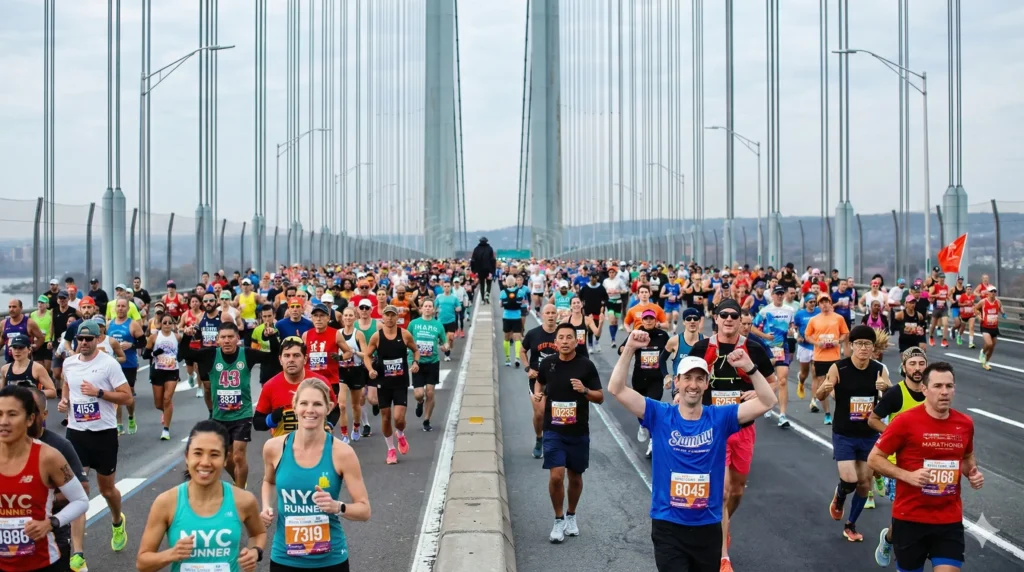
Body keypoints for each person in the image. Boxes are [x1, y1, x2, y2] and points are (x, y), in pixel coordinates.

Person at [608, 330, 777, 572]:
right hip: (668, 525)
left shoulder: (720, 418)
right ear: (677, 382)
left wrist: (750, 368)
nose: (693, 385)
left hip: (707, 525)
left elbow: (768, 402)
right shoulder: (660, 414)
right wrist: (629, 349)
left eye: (699, 379)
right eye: (687, 378)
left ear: (707, 384)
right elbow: (616, 389)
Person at [868, 362, 983, 572]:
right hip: (910, 517)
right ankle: (888, 538)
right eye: (938, 386)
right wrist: (908, 476)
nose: (944, 392)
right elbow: (874, 459)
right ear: (924, 389)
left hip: (949, 518)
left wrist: (972, 472)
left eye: (949, 386)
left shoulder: (965, 423)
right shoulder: (904, 422)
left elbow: (967, 456)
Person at [686, 298, 776, 568]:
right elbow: (688, 382)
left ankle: (723, 525)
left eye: (733, 316)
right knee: (723, 492)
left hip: (743, 427)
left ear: (740, 320)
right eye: (723, 315)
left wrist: (756, 392)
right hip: (713, 429)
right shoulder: (702, 348)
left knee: (736, 491)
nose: (728, 319)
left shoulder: (754, 348)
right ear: (715, 318)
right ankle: (723, 556)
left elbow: (772, 383)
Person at [260, 379, 370, 572]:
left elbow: (364, 510)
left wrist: (337, 507)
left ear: (328, 408)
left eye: (317, 404)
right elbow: (269, 481)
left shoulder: (342, 453)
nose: (310, 410)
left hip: (330, 560)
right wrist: (266, 506)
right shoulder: (274, 448)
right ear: (295, 406)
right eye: (304, 403)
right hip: (285, 559)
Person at [136, 421, 267, 572]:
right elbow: (142, 563)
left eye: (214, 455)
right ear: (187, 457)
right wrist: (171, 554)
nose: (205, 462)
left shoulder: (244, 500)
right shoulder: (166, 502)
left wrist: (255, 552)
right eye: (198, 453)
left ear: (225, 459)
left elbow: (259, 533)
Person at [57, 319, 134, 558]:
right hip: (76, 434)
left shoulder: (109, 364)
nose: (83, 342)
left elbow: (127, 397)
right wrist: (65, 401)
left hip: (104, 434)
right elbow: (67, 384)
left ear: (98, 339)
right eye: (80, 339)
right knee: (78, 491)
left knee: (107, 490)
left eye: (88, 339)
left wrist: (99, 393)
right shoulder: (69, 363)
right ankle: (77, 553)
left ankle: (117, 521)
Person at [179, 322, 281, 488]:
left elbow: (273, 357)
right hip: (220, 416)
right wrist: (186, 336)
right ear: (217, 340)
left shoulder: (246, 354)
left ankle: (240, 493)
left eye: (230, 337)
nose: (227, 340)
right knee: (225, 457)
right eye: (223, 337)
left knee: (239, 455)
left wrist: (272, 337)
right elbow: (185, 353)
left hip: (242, 414)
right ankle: (239, 480)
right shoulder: (211, 355)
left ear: (237, 339)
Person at [0, 385, 90, 572]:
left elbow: (81, 500)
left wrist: (51, 523)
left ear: (30, 419)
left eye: (12, 414)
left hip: (43, 563)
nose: (4, 422)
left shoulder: (49, 457)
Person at [815, 325, 891, 542]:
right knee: (849, 480)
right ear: (851, 346)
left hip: (869, 434)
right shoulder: (839, 368)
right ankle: (840, 496)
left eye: (868, 344)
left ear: (873, 347)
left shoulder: (879, 369)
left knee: (864, 483)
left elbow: (891, 397)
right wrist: (824, 390)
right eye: (859, 344)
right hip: (844, 433)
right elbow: (821, 394)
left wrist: (885, 389)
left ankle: (851, 525)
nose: (863, 348)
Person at [534, 323, 604, 544]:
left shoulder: (586, 366)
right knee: (556, 476)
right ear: (556, 342)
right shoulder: (548, 364)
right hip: (553, 430)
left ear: (576, 341)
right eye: (561, 337)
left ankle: (571, 515)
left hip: (578, 431)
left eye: (569, 337)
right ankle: (558, 519)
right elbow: (539, 383)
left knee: (575, 477)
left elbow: (600, 397)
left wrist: (584, 390)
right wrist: (538, 396)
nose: (565, 341)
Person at [867, 347, 928, 566]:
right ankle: (890, 540)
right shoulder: (896, 393)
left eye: (921, 364)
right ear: (904, 368)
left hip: (927, 464)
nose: (917, 368)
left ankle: (905, 543)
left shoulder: (932, 393)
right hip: (898, 464)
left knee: (924, 512)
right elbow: (873, 419)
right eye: (912, 364)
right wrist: (896, 437)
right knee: (904, 515)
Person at [27, 387, 89, 572]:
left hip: (52, 533)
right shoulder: (5, 448)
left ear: (44, 414)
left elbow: (82, 492)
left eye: (33, 412)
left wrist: (47, 502)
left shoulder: (57, 448)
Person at [364, 306, 421, 465]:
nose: (389, 318)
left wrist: (415, 363)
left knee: (399, 418)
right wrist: (370, 370)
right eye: (387, 315)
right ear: (382, 317)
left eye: (392, 315)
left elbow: (416, 351)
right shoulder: (377, 336)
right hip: (383, 382)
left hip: (400, 382)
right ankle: (391, 449)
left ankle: (400, 434)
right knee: (386, 416)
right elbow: (367, 356)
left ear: (397, 317)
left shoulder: (405, 334)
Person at [252, 338, 339, 437]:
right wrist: (271, 419)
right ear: (280, 360)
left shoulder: (321, 382)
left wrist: (329, 425)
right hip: (284, 444)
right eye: (287, 356)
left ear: (305, 359)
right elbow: (257, 423)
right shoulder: (270, 386)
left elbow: (335, 411)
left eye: (296, 355)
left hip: (316, 443)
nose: (291, 360)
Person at [617, 309, 670, 458]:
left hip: (656, 379)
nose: (648, 321)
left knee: (652, 408)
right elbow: (621, 350)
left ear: (655, 320)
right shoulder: (636, 334)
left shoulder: (662, 335)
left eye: (651, 318)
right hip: (639, 378)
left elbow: (671, 350)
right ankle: (642, 424)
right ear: (642, 320)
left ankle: (652, 442)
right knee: (640, 409)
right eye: (646, 318)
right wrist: (628, 347)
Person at [303, 304, 355, 441]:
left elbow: (349, 352)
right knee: (313, 410)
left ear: (328, 318)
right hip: (311, 381)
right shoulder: (306, 335)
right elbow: (302, 356)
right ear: (312, 318)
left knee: (333, 408)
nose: (318, 319)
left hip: (330, 380)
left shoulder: (335, 334)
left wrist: (340, 358)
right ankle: (316, 436)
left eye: (322, 316)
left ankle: (328, 428)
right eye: (315, 316)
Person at [752, 286, 796, 428]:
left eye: (781, 293)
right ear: (772, 295)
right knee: (768, 380)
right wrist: (765, 336)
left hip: (782, 348)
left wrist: (791, 331)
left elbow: (792, 326)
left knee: (782, 380)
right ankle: (767, 404)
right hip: (767, 349)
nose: (779, 296)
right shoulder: (765, 311)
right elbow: (752, 327)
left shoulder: (790, 310)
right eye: (777, 294)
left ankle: (782, 415)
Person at [804, 294, 850, 425]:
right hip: (820, 357)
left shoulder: (838, 318)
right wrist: (817, 343)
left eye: (826, 302)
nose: (824, 304)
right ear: (818, 305)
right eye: (822, 302)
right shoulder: (814, 320)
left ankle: (840, 412)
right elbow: (807, 335)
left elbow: (845, 333)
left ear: (830, 303)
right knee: (823, 385)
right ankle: (827, 414)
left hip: (835, 356)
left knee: (838, 385)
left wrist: (838, 341)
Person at [521, 304, 560, 459]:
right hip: (537, 379)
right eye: (547, 313)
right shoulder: (533, 334)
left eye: (553, 313)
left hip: (557, 379)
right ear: (543, 315)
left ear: (557, 315)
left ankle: (554, 440)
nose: (550, 316)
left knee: (557, 413)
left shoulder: (562, 334)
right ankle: (539, 439)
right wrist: (528, 368)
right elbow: (522, 351)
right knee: (540, 413)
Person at [407, 299, 448, 432]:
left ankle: (426, 420)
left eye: (430, 306)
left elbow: (444, 341)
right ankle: (420, 402)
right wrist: (409, 358)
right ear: (421, 308)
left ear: (433, 309)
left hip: (432, 362)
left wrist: (445, 347)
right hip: (417, 362)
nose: (428, 308)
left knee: (430, 392)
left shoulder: (438, 325)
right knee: (419, 394)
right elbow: (407, 340)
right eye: (426, 306)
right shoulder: (413, 324)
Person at [147, 313, 182, 440]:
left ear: (173, 324)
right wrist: (154, 353)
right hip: (157, 371)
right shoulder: (154, 337)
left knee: (167, 399)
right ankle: (166, 411)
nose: (167, 325)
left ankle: (166, 430)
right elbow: (145, 355)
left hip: (172, 371)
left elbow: (182, 352)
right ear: (160, 324)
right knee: (158, 404)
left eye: (170, 322)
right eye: (165, 322)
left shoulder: (177, 337)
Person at [0, 334, 57, 398]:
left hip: (30, 403)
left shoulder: (37, 368)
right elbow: (1, 393)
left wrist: (30, 394)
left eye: (21, 348)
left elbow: (52, 392)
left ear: (29, 350)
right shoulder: (5, 369)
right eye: (14, 347)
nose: (17, 351)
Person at [499, 275, 525, 367]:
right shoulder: (520, 292)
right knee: (517, 338)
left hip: (507, 317)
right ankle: (517, 358)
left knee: (506, 338)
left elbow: (500, 305)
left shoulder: (502, 292)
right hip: (517, 317)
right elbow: (522, 303)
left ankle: (507, 358)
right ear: (515, 282)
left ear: (506, 282)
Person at [975, 286, 1002, 370]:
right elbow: (975, 308)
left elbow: (1001, 307)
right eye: (991, 291)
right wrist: (979, 317)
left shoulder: (998, 301)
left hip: (994, 327)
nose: (993, 293)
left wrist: (1003, 313)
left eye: (994, 291)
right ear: (988, 293)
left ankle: (986, 362)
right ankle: (982, 352)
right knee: (989, 344)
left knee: (992, 347)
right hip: (985, 326)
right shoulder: (983, 301)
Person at [470, 237, 497, 304]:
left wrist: (473, 270)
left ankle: (482, 299)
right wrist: (493, 270)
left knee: (482, 284)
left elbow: (473, 260)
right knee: (489, 283)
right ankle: (487, 295)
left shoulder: (476, 249)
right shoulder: (490, 248)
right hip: (489, 270)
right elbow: (493, 260)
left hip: (480, 270)